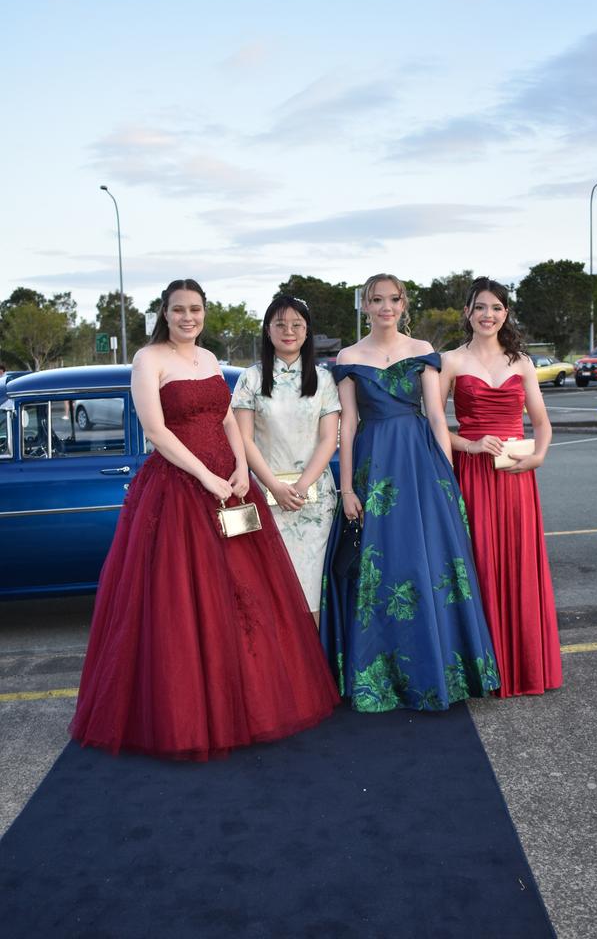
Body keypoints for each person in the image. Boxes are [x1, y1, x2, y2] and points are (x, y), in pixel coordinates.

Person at [70, 279, 339, 760]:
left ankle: (247, 701)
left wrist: (237, 467)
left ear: (204, 313)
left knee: (242, 595)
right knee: (182, 601)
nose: (188, 318)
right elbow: (155, 430)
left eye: (195, 309)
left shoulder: (211, 359)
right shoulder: (149, 359)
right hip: (177, 488)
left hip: (229, 484)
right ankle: (192, 711)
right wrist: (205, 476)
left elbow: (225, 420)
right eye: (179, 310)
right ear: (165, 314)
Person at [320, 274, 500, 712]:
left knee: (427, 566)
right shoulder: (348, 357)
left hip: (421, 467)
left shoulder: (422, 351)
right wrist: (346, 489)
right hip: (372, 466)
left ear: (404, 304)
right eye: (376, 300)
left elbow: (437, 418)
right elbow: (348, 425)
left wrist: (447, 479)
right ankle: (380, 677)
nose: (385, 307)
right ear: (364, 305)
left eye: (393, 299)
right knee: (380, 569)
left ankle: (434, 671)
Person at [439, 277, 562, 697]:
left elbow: (543, 424)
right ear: (468, 313)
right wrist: (470, 443)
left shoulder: (523, 362)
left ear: (505, 313)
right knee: (479, 564)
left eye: (495, 307)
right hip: (471, 475)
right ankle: (484, 669)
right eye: (479, 307)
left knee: (518, 562)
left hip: (516, 476)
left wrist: (539, 457)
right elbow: (433, 427)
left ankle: (524, 666)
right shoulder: (450, 362)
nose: (487, 315)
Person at [232, 296, 340, 627]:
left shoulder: (323, 380)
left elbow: (328, 439)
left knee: (312, 589)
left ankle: (314, 673)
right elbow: (243, 439)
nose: (288, 331)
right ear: (268, 330)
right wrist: (275, 486)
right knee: (271, 591)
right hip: (266, 497)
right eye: (280, 324)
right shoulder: (250, 379)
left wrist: (303, 484)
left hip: (315, 502)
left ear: (307, 332)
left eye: (297, 324)